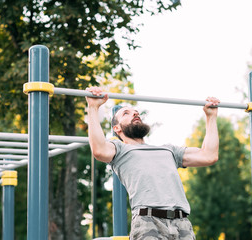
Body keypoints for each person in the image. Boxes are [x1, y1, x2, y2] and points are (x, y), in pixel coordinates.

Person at [85, 86, 220, 240]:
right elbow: (99, 149)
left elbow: (209, 155)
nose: (134, 113)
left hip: (182, 223)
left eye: (135, 112)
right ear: (117, 128)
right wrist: (93, 107)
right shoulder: (120, 150)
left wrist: (211, 116)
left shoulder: (168, 151)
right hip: (148, 221)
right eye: (126, 113)